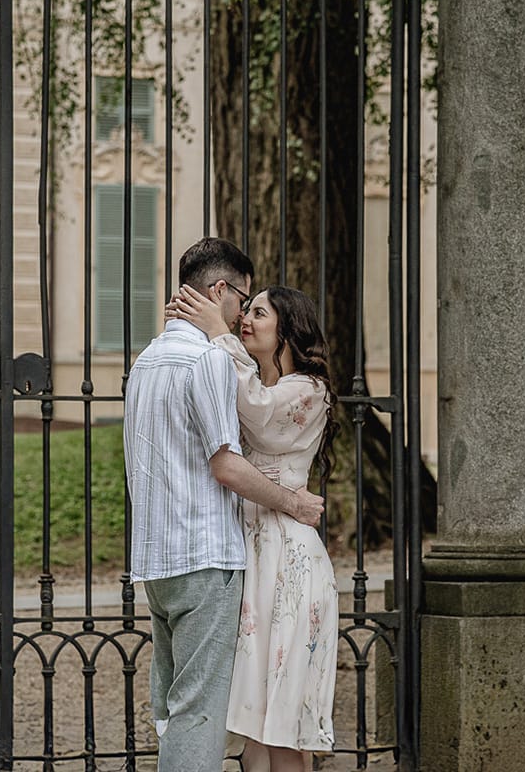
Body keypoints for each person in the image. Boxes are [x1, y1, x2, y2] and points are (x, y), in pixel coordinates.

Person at [124, 237, 326, 772]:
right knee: (204, 711)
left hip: (163, 558)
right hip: (209, 553)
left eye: (257, 310)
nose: (241, 317)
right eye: (244, 301)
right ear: (220, 291)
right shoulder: (211, 361)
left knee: (192, 707)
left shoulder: (146, 360)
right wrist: (296, 503)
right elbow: (226, 463)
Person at [167, 282, 341, 772]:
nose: (246, 320)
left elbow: (260, 417)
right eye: (246, 312)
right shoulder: (252, 384)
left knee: (282, 723)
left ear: (288, 327)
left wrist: (219, 333)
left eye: (259, 314)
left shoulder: (309, 390)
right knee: (250, 724)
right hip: (249, 553)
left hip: (288, 559)